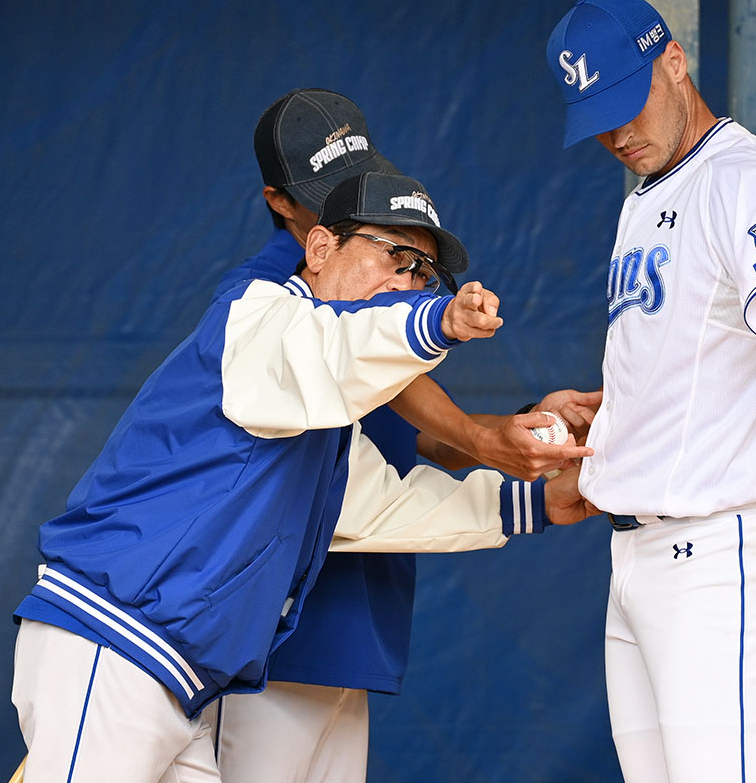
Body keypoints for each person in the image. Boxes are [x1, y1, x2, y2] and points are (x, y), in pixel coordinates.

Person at [10, 167, 597, 783]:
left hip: (185, 676)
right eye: (395, 256)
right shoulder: (262, 315)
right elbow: (336, 349)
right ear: (319, 248)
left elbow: (377, 507)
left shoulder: (329, 413)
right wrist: (439, 322)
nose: (408, 284)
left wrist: (536, 505)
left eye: (422, 274)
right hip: (116, 640)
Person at [208, 89, 601, 783]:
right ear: (279, 201)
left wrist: (514, 429)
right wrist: (488, 444)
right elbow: (370, 369)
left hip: (353, 616)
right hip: (273, 627)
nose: (345, 206)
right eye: (324, 196)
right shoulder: (271, 291)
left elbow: (399, 427)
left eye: (353, 185)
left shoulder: (386, 261)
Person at [546, 0, 756, 782]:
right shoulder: (649, 194)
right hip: (644, 557)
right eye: (598, 118)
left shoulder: (741, 176)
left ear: (675, 62)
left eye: (628, 102)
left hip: (720, 554)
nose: (618, 133)